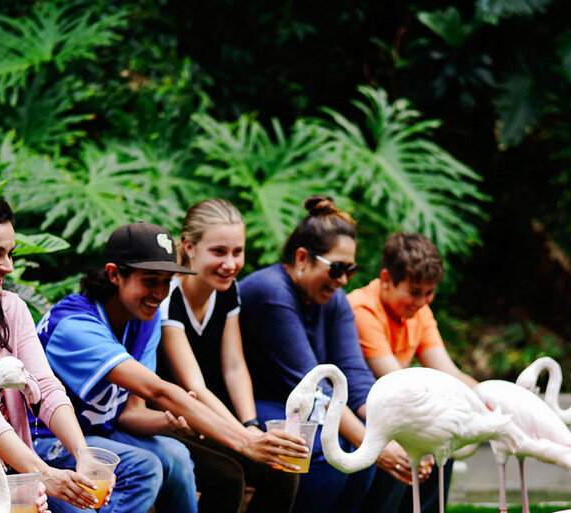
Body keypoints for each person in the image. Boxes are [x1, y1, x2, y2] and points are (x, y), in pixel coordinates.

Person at [35, 221, 308, 513]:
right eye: (150, 280)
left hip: (102, 434)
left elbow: (130, 413)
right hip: (47, 439)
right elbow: (159, 391)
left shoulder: (144, 318)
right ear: (115, 274)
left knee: (176, 453)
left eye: (167, 281)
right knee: (147, 466)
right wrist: (246, 441)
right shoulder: (74, 325)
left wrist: (173, 421)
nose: (160, 293)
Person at [238, 196, 423, 513]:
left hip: (304, 406)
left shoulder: (332, 298)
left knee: (363, 443)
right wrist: (375, 448)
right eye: (336, 268)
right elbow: (315, 388)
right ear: (302, 258)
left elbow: (354, 374)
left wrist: (385, 426)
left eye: (350, 270)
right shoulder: (272, 292)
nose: (342, 280)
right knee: (330, 446)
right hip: (253, 405)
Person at [0, 191, 104, 511]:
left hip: (13, 472)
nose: (8, 267)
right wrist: (44, 473)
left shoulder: (11, 309)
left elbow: (45, 387)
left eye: (10, 253)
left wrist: (84, 456)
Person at [157, 199, 298, 512]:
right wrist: (244, 438)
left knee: (282, 473)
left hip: (214, 414)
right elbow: (193, 384)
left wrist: (250, 423)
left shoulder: (227, 290)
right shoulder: (168, 297)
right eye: (218, 252)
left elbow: (234, 366)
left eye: (237, 252)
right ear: (190, 248)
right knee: (227, 476)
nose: (230, 263)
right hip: (175, 418)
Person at [347, 232, 477, 513]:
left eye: (429, 292)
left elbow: (447, 371)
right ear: (385, 279)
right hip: (362, 415)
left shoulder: (420, 310)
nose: (422, 301)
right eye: (415, 291)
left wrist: (493, 399)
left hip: (396, 411)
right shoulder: (362, 308)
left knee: (442, 448)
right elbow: (397, 381)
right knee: (415, 449)